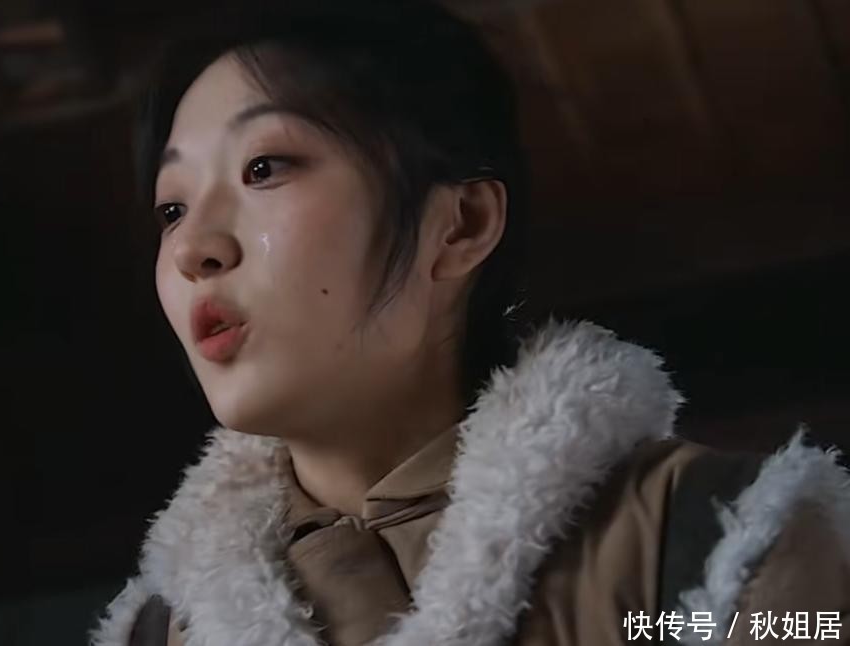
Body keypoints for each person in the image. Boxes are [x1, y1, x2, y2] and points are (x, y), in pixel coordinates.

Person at [93, 2, 850, 644]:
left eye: (263, 167)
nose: (190, 248)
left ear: (460, 224)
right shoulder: (163, 632)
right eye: (171, 207)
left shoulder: (721, 541)